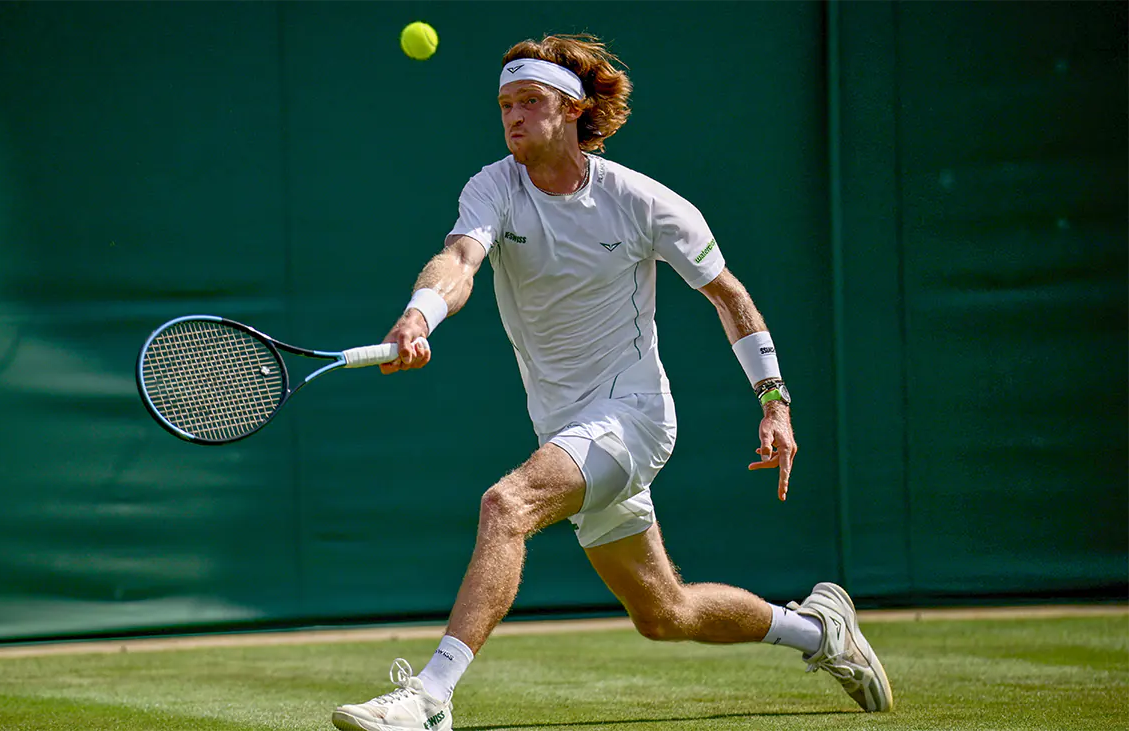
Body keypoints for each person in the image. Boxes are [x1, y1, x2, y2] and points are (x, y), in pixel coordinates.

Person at [331, 33, 893, 731]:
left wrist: (774, 400)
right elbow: (459, 259)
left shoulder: (641, 202)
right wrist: (419, 316)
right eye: (505, 103)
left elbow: (730, 296)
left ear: (571, 109)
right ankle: (821, 631)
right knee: (665, 611)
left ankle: (429, 697)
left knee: (507, 505)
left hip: (633, 415)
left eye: (530, 101)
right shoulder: (492, 187)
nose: (512, 116)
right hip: (566, 428)